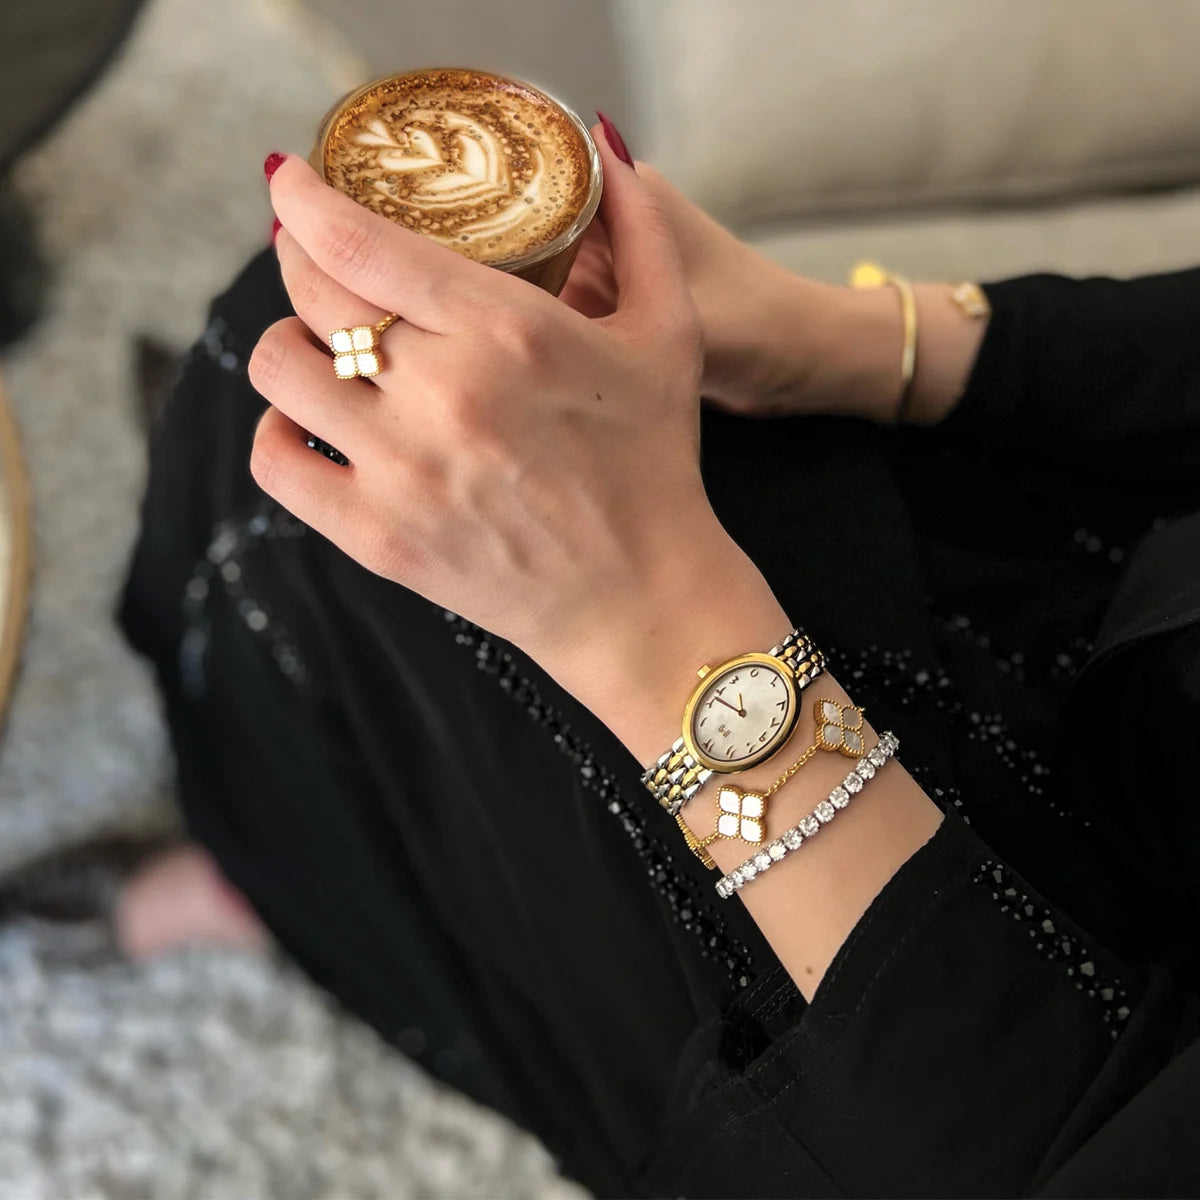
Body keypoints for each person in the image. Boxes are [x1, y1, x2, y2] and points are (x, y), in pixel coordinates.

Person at [19, 119, 1200, 1196]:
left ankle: (287, 896)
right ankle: (274, 817)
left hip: (942, 1025)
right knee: (308, 367)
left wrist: (652, 613)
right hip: (1084, 564)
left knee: (464, 828)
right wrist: (842, 340)